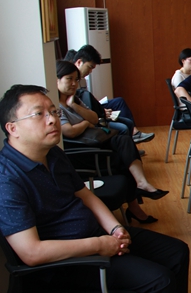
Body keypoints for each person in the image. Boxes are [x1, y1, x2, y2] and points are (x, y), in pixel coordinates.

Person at [0, 84, 191, 293]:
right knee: (159, 280)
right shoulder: (7, 180)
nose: (52, 119)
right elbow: (31, 253)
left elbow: (86, 195)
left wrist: (115, 228)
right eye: (39, 114)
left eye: (53, 111)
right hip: (67, 263)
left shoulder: (52, 154)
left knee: (176, 251)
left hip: (97, 238)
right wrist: (99, 245)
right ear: (12, 128)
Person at [56, 61, 167, 223]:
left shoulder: (74, 100)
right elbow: (69, 131)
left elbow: (95, 118)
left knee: (124, 141)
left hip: (94, 143)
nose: (74, 83)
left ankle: (141, 185)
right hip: (83, 152)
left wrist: (74, 105)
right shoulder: (56, 106)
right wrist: (85, 123)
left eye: (76, 79)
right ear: (57, 79)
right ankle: (136, 204)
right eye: (69, 79)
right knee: (123, 160)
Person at [68, 45, 154, 144]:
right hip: (87, 115)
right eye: (90, 67)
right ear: (79, 62)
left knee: (119, 102)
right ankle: (131, 141)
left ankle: (134, 136)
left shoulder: (82, 80)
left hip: (90, 109)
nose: (90, 71)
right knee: (123, 126)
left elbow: (86, 100)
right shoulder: (71, 83)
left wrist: (99, 108)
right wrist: (100, 111)